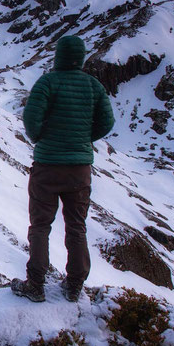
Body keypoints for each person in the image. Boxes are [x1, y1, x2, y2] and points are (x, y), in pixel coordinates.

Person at [12, 35, 114, 303]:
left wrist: (42, 137)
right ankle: (75, 285)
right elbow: (107, 122)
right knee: (77, 226)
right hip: (79, 169)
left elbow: (31, 118)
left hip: (47, 166)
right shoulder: (93, 86)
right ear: (80, 57)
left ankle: (35, 284)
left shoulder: (48, 82)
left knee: (40, 225)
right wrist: (83, 138)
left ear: (58, 55)